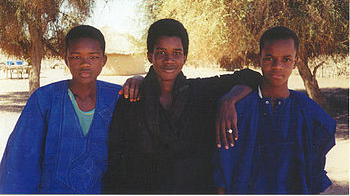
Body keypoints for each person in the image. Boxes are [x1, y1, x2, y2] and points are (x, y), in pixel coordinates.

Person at [103, 18, 262, 194]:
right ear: (150, 56)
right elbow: (116, 156)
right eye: (161, 52)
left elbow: (252, 77)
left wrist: (229, 101)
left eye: (176, 53)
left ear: (185, 57)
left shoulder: (200, 93)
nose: (169, 59)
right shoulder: (132, 98)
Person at [213, 26, 336, 194]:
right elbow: (223, 172)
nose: (277, 66)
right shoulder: (238, 112)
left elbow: (314, 172)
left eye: (286, 59)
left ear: (295, 61)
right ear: (260, 59)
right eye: (270, 58)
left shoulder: (308, 112)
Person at [0, 25, 122, 193]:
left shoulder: (118, 97)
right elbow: (21, 161)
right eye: (76, 56)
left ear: (104, 60)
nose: (85, 63)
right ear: (66, 60)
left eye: (93, 57)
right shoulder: (45, 99)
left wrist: (138, 80)